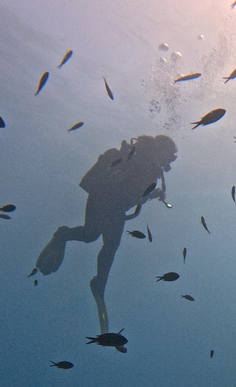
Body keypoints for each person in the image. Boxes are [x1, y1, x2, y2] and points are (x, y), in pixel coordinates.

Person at [35, 135, 177, 336]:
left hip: (105, 201)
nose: (170, 162)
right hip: (110, 204)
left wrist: (149, 193)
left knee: (94, 237)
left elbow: (132, 194)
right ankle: (98, 281)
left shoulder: (143, 161)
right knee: (104, 242)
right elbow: (135, 196)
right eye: (170, 156)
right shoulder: (148, 165)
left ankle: (65, 238)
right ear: (161, 150)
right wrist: (153, 194)